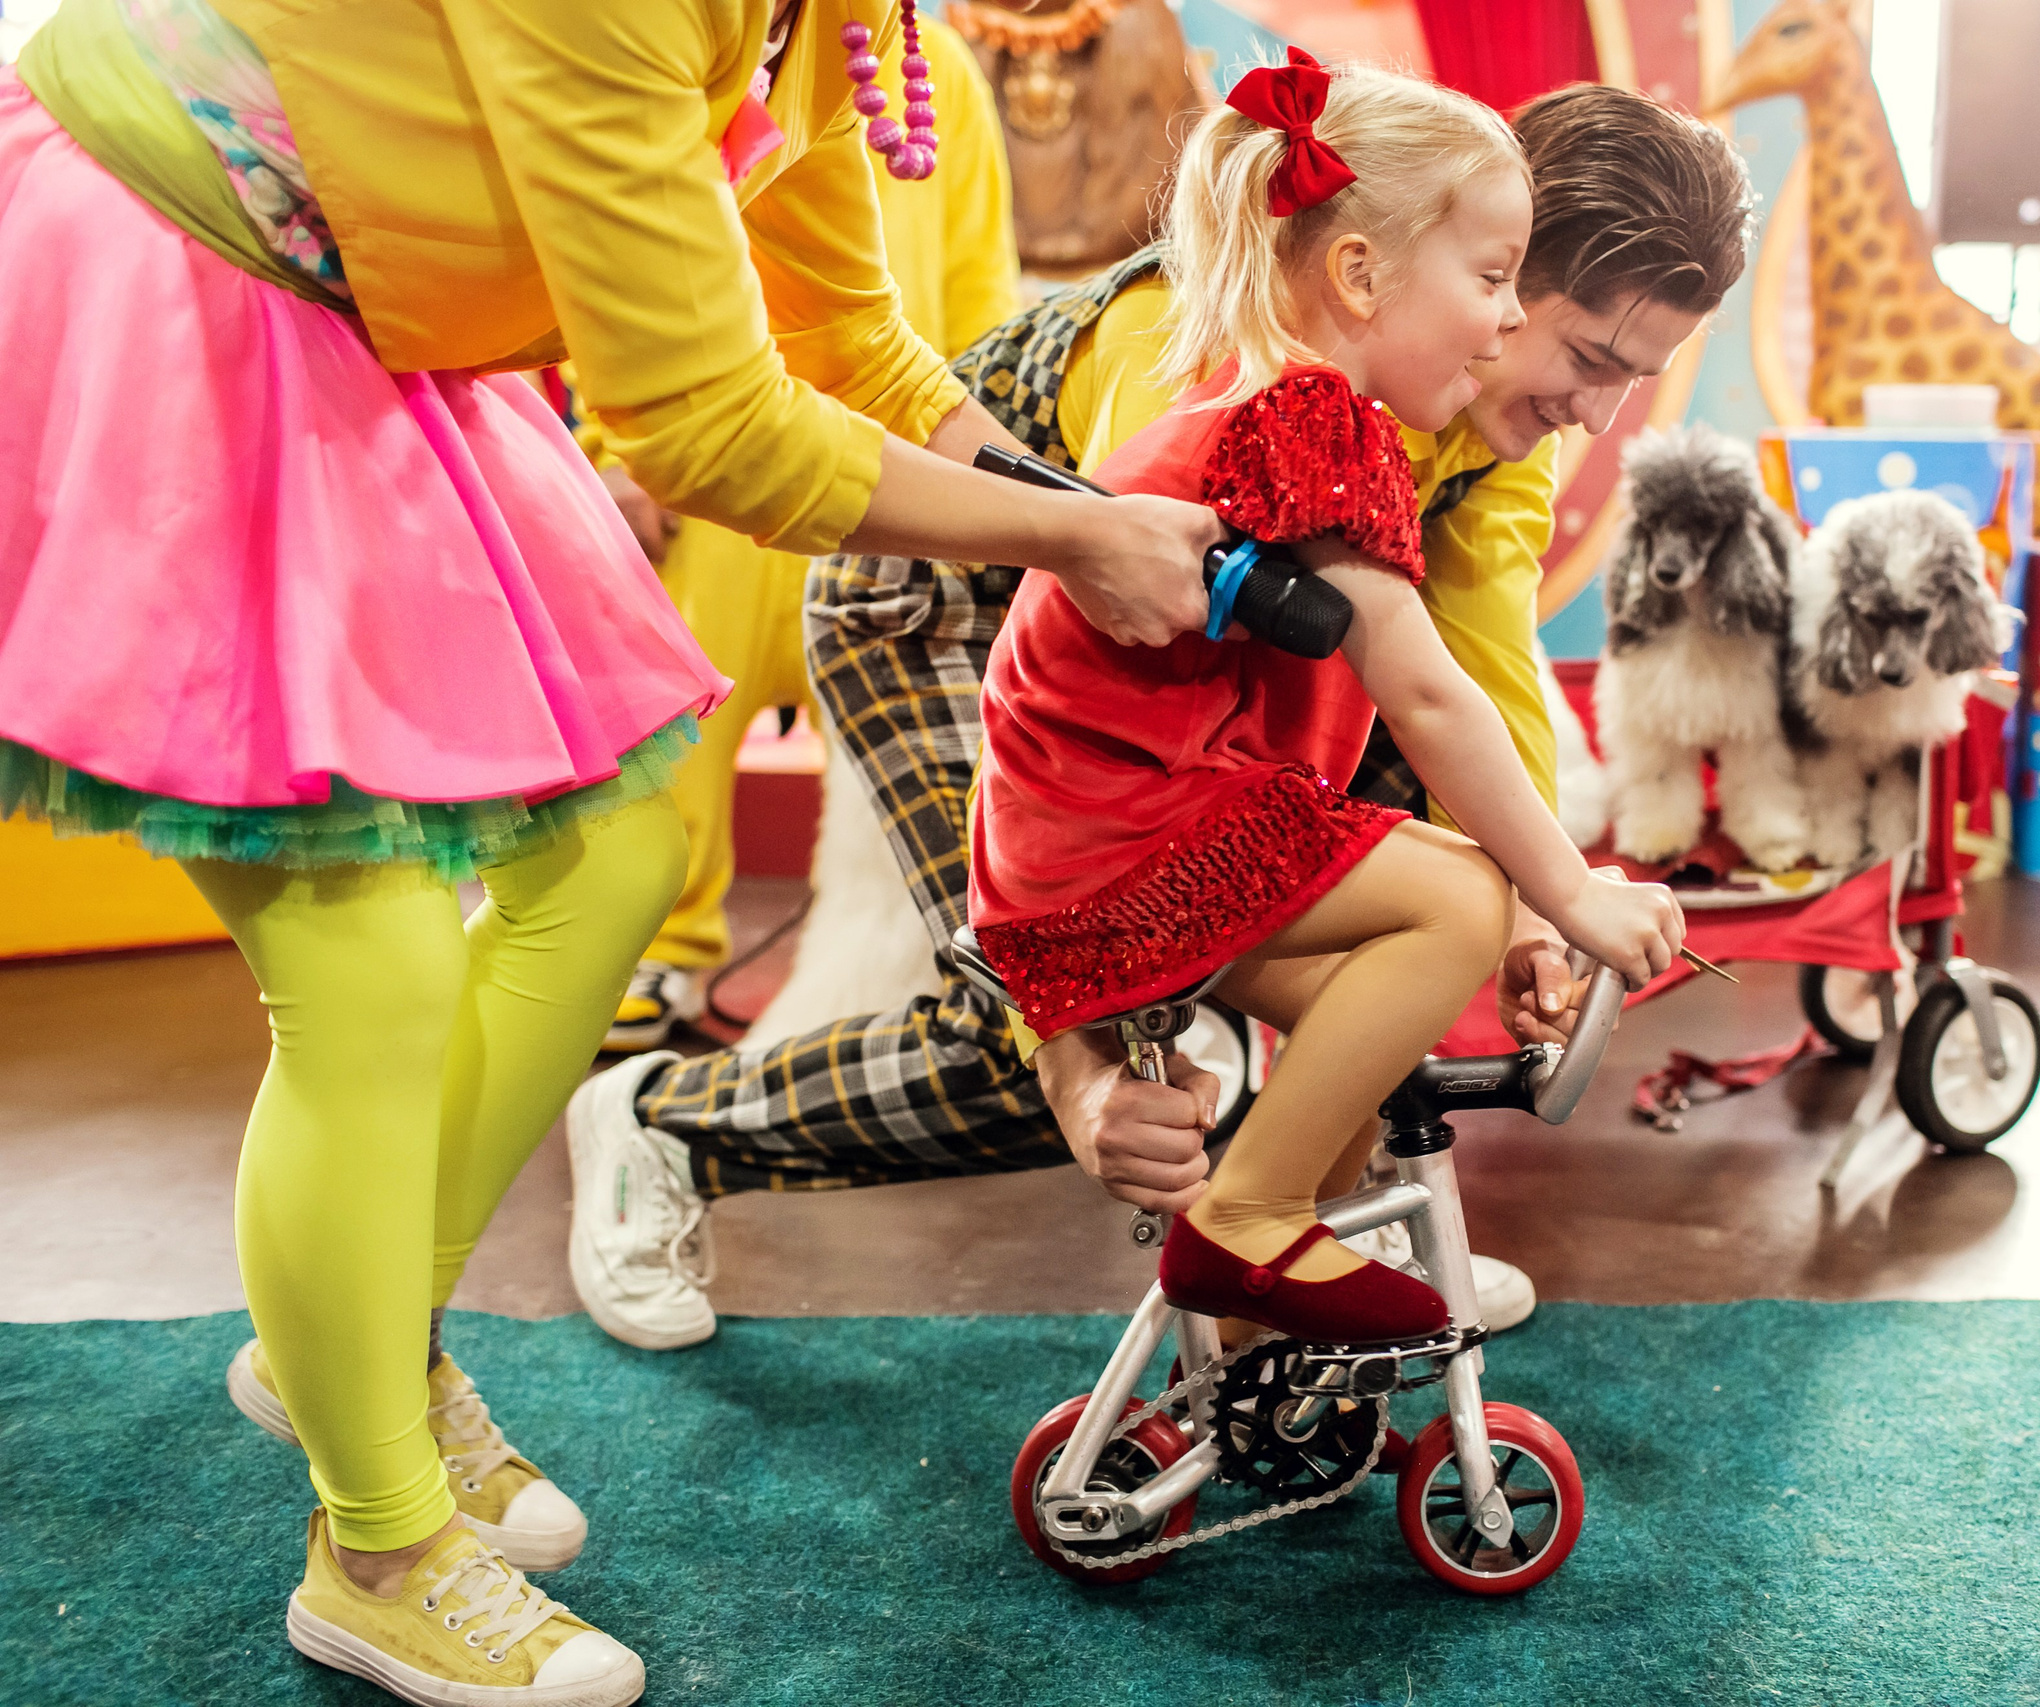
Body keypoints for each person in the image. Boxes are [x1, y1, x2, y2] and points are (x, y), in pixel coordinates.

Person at [0, 1, 1216, 1702]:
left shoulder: (841, 21)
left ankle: (356, 1339)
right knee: (370, 965)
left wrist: (1079, 517)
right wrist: (1072, 539)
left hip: (369, 311)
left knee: (619, 851)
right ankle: (377, 1548)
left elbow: (844, 335)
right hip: (179, 266)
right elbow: (704, 427)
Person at [566, 81, 1754, 1347]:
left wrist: (1532, 909)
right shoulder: (1232, 371)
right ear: (1414, 271)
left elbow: (1476, 673)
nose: (1597, 412)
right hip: (956, 607)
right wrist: (1083, 1061)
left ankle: (1295, 1252)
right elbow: (1098, 677)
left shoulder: (1457, 407)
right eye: (1585, 356)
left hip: (1176, 685)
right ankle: (659, 1125)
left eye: (1635, 379)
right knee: (1033, 1043)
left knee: (1383, 938)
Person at [969, 50, 1688, 1343]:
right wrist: (1567, 893)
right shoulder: (1313, 421)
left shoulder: (1271, 398)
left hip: (1088, 833)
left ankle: (1264, 1336)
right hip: (1114, 828)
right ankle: (1246, 1222)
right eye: (1490, 282)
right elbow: (1428, 695)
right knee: (1458, 895)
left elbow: (1482, 665)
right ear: (1357, 275)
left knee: (1372, 1012)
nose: (1501, 321)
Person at [601, 8, 1021, 1051]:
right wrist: (609, 449)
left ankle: (920, 964)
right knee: (672, 731)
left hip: (895, 473)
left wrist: (989, 475)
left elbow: (976, 288)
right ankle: (656, 943)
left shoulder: (933, 73)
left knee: (911, 775)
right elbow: (606, 264)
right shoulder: (689, 36)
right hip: (711, 469)